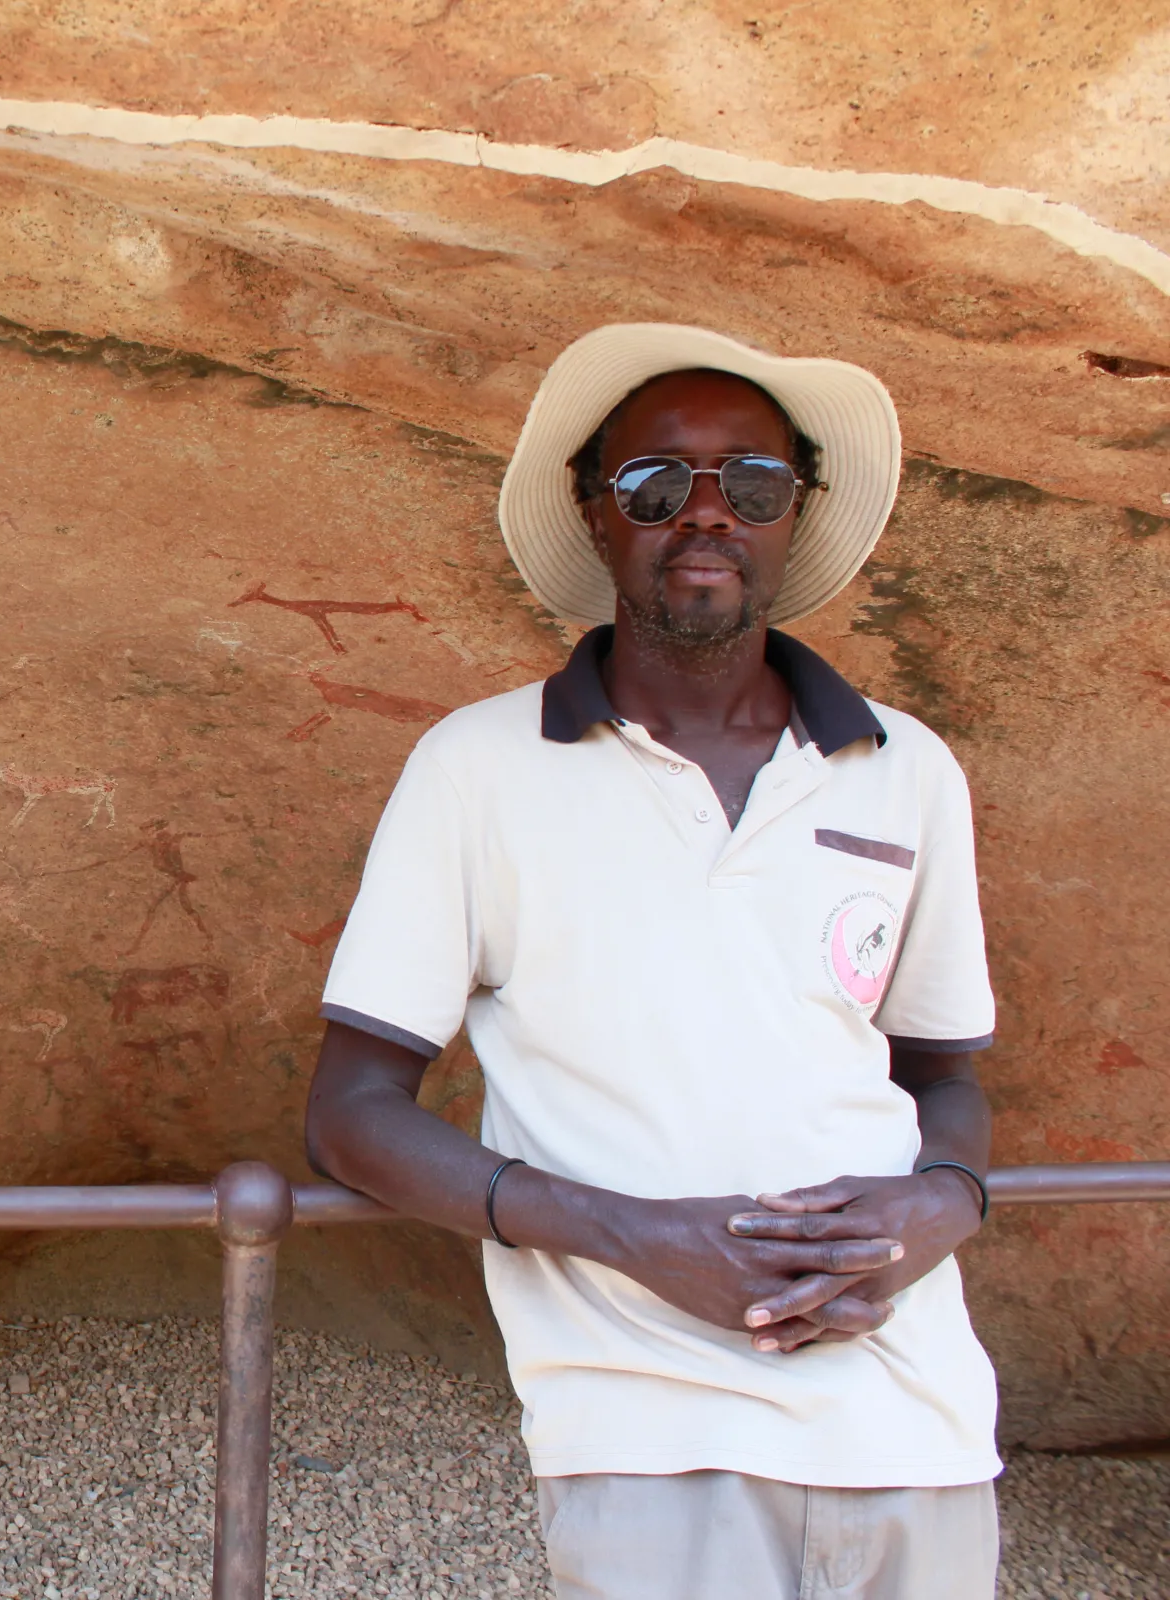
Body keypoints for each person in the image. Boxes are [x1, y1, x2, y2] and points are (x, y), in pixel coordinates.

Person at [305, 324, 1001, 1598]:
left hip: (920, 1423)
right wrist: (629, 1236)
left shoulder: (909, 771)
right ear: (597, 514)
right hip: (645, 1436)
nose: (705, 517)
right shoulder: (480, 769)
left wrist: (941, 1206)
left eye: (750, 484)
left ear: (793, 514)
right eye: (653, 485)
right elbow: (349, 1118)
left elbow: (944, 1071)